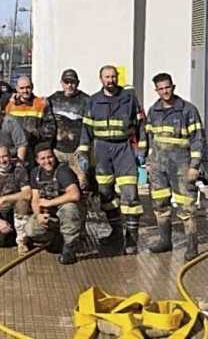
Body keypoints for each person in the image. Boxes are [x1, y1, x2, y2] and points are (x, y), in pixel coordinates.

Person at [78, 65, 146, 254]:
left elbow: (141, 125)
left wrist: (141, 149)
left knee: (130, 194)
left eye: (113, 76)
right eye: (107, 77)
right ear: (101, 79)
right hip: (101, 151)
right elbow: (86, 130)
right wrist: (83, 153)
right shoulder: (93, 101)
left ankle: (131, 239)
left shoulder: (129, 98)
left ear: (117, 78)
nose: (110, 80)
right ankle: (116, 232)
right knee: (105, 193)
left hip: (123, 149)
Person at [144, 73, 205, 261]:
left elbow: (198, 140)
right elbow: (149, 138)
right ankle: (165, 240)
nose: (165, 91)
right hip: (158, 166)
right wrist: (148, 161)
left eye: (167, 87)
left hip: (182, 166)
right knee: (160, 204)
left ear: (173, 86)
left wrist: (195, 166)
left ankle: (192, 246)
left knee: (186, 207)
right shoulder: (153, 111)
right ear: (156, 90)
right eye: (160, 89)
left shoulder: (188, 110)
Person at [25, 143, 81, 264]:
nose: (47, 161)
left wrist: (50, 203)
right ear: (37, 160)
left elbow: (74, 194)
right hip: (50, 214)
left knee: (69, 208)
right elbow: (35, 198)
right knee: (30, 230)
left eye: (50, 157)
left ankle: (70, 247)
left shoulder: (63, 171)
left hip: (67, 212)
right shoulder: (35, 173)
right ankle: (56, 238)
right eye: (43, 158)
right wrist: (38, 215)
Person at [45, 69, 90, 189]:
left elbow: (90, 127)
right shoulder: (53, 99)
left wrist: (84, 147)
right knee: (57, 180)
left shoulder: (87, 100)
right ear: (61, 83)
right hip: (57, 150)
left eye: (73, 82)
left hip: (78, 151)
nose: (69, 85)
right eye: (66, 81)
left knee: (83, 182)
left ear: (78, 83)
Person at [4, 76, 51, 165]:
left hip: (35, 147)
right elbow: (6, 129)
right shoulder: (10, 106)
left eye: (28, 87)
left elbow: (49, 127)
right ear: (17, 89)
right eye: (22, 88)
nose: (25, 91)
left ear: (32, 87)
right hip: (17, 150)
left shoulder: (41, 103)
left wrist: (35, 134)